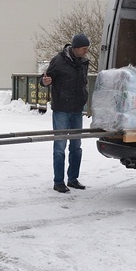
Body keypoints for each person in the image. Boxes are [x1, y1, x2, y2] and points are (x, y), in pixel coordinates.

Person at [41, 33, 90, 193]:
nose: (86, 52)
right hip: (61, 109)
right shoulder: (58, 60)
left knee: (76, 147)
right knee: (60, 146)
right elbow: (45, 79)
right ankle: (58, 181)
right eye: (84, 49)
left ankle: (73, 179)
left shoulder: (83, 62)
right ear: (75, 48)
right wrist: (45, 81)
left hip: (77, 110)